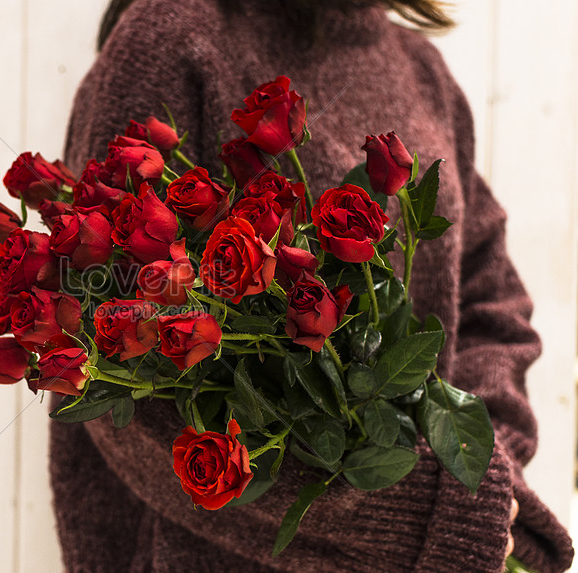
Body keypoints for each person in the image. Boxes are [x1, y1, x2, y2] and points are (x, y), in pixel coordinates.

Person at [49, 1, 575, 571]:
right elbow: (111, 358)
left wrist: (478, 460)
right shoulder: (174, 35)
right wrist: (427, 514)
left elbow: (488, 297)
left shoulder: (422, 69)